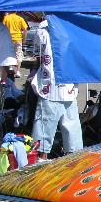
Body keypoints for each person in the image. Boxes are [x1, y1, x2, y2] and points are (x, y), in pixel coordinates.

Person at [30, 17, 83, 160]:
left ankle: (41, 161)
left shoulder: (43, 27)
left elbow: (38, 55)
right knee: (72, 134)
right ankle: (72, 163)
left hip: (50, 86)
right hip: (69, 86)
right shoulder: (74, 26)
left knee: (43, 133)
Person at [2, 11, 29, 77]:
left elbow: (2, 28)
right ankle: (18, 71)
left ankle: (10, 67)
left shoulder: (6, 18)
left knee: (8, 54)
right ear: (16, 11)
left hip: (8, 39)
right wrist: (24, 40)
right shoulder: (20, 18)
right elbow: (25, 30)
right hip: (18, 39)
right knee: (18, 54)